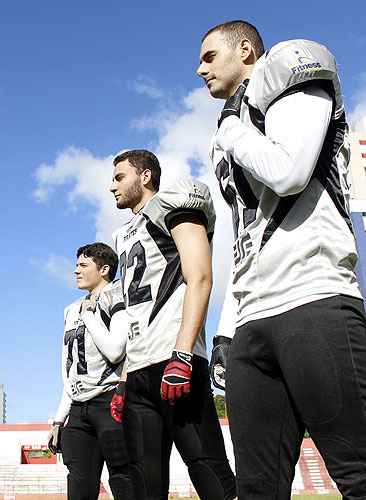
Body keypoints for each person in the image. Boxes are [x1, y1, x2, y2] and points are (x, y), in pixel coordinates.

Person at [199, 20, 366, 498]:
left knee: (356, 471)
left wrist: (233, 132)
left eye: (210, 56)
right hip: (254, 319)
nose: (199, 68)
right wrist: (227, 328)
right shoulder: (227, 127)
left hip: (313, 295)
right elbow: (245, 236)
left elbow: (290, 172)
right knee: (257, 488)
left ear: (245, 49)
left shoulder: (287, 68)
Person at [110, 149, 236, 500]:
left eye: (120, 177)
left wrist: (182, 354)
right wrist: (123, 380)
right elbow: (135, 312)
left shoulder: (172, 203)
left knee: (208, 468)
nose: (112, 186)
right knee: (144, 483)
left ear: (145, 176)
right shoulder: (122, 235)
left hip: (174, 357)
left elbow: (200, 277)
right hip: (138, 369)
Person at [48, 243, 138, 500]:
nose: (75, 271)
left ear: (105, 269)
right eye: (76, 265)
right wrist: (58, 418)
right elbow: (69, 369)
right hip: (78, 408)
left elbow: (115, 350)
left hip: (111, 401)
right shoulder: (70, 309)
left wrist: (90, 316)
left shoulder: (118, 295)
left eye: (83, 265)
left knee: (123, 479)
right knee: (79, 485)